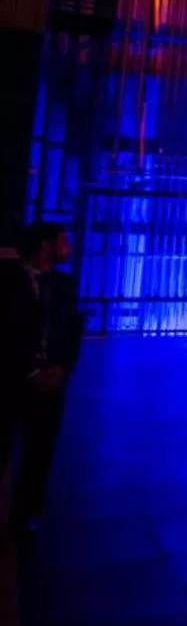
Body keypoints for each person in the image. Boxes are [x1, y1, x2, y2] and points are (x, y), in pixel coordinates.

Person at [0, 222, 85, 533]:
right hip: (11, 381)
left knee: (40, 452)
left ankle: (25, 516)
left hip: (51, 383)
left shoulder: (63, 285)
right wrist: (31, 370)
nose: (68, 247)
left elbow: (73, 331)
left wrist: (61, 368)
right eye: (63, 241)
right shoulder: (8, 282)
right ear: (45, 246)